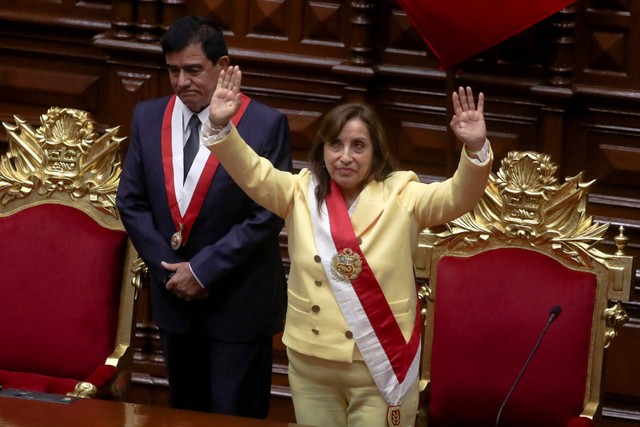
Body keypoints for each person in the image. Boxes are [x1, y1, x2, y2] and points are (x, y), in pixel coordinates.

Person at [202, 65, 492, 427]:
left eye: (358, 146)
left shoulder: (404, 193)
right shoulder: (299, 191)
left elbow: (457, 196)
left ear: (376, 151)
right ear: (323, 149)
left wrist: (475, 147)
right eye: (335, 144)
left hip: (379, 363)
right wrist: (221, 127)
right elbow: (252, 172)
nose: (345, 156)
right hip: (312, 363)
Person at [115, 17, 292, 418]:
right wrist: (171, 272)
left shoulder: (265, 124)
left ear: (223, 65)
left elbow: (268, 213)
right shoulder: (147, 116)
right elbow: (131, 202)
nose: (181, 82)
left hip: (237, 303)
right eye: (173, 70)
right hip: (175, 299)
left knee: (234, 416)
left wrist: (202, 270)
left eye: (193, 69)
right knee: (184, 415)